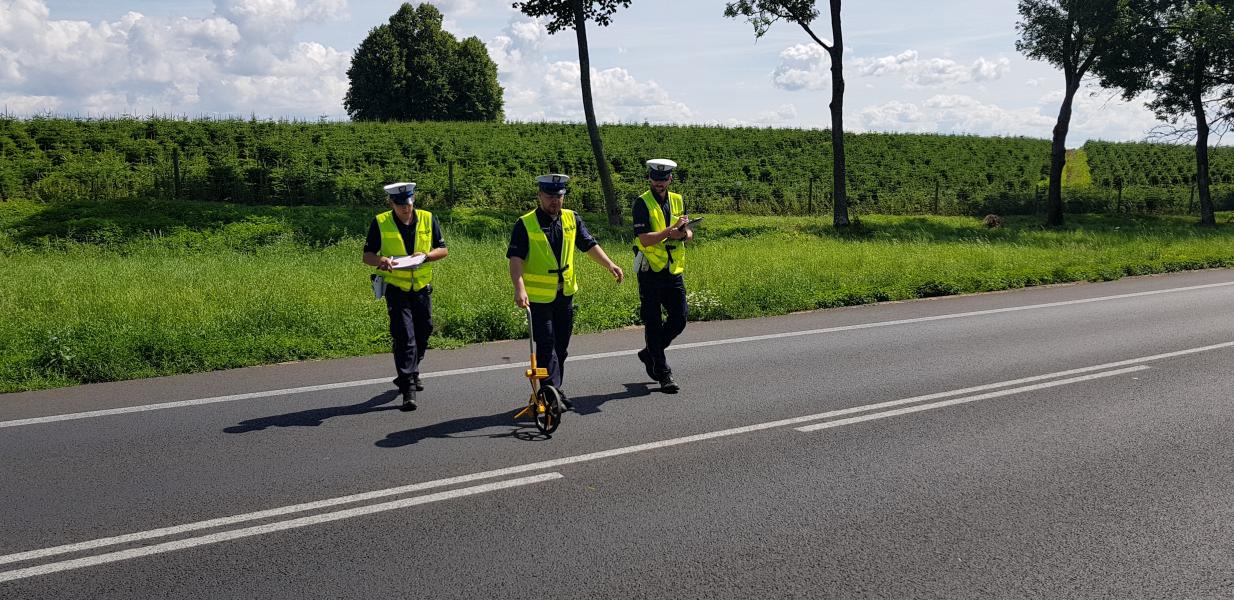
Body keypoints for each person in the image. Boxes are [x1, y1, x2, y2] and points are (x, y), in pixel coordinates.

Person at [507, 174, 624, 410]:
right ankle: (550, 393)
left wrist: (609, 264)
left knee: (561, 346)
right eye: (549, 196)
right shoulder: (526, 223)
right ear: (539, 196)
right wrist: (519, 288)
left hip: (565, 294)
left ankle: (554, 389)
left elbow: (588, 245)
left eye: (558, 196)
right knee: (547, 344)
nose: (554, 201)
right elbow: (516, 259)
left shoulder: (572, 218)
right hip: (539, 298)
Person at [362, 182, 449, 411]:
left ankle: (411, 370)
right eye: (401, 205)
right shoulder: (381, 222)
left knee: (424, 331)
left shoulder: (428, 218)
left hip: (422, 287)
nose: (406, 209)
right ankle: (408, 387)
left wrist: (427, 256)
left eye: (409, 204)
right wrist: (381, 260)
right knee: (404, 335)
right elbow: (367, 256)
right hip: (396, 289)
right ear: (392, 203)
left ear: (413, 200)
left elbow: (443, 250)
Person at [632, 159, 693, 393]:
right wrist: (671, 232)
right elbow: (644, 238)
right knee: (654, 323)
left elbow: (687, 231)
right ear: (650, 178)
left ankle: (649, 353)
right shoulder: (641, 203)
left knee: (679, 319)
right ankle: (663, 373)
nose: (659, 183)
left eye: (663, 179)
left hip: (673, 270)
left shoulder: (677, 199)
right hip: (650, 272)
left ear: (670, 179)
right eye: (656, 179)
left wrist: (685, 234)